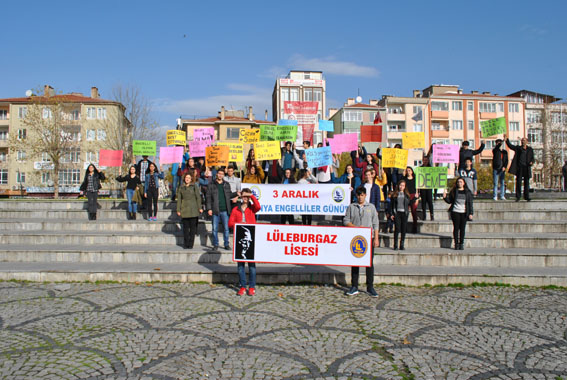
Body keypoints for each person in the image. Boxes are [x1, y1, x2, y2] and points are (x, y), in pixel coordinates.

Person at [343, 186, 380, 297]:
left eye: (362, 195)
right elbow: (346, 220)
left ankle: (370, 286)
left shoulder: (371, 207)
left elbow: (375, 223)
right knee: (355, 262)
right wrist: (355, 227)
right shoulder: (351, 207)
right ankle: (354, 286)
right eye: (358, 195)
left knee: (369, 263)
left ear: (365, 195)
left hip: (369, 238)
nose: (360, 197)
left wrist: (376, 238)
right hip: (355, 238)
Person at [228, 188, 261, 296]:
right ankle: (242, 286)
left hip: (251, 238)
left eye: (247, 196)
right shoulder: (235, 209)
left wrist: (251, 196)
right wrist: (238, 226)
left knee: (252, 265)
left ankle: (252, 286)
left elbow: (258, 206)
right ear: (241, 197)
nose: (245, 198)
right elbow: (230, 223)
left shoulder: (252, 208)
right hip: (239, 238)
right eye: (244, 196)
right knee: (240, 265)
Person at [206, 168, 237, 250]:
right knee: (214, 229)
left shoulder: (226, 184)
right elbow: (208, 197)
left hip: (225, 210)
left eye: (222, 174)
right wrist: (209, 208)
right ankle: (215, 244)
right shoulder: (211, 184)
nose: (220, 175)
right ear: (217, 174)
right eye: (219, 173)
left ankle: (226, 244)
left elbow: (229, 195)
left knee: (226, 229)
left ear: (224, 175)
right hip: (215, 210)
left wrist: (236, 194)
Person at [443, 177, 474, 250]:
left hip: (464, 213)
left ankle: (461, 243)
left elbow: (470, 203)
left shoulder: (468, 192)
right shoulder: (454, 191)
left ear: (464, 183)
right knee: (456, 228)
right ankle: (456, 243)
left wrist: (471, 213)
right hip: (455, 212)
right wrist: (445, 197)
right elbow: (450, 201)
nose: (459, 183)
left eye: (461, 182)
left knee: (462, 229)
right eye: (458, 182)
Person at [176, 171, 202, 249]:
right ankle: (186, 243)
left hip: (193, 209)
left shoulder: (194, 187)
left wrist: (200, 207)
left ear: (191, 179)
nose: (187, 179)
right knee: (185, 228)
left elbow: (198, 197)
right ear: (184, 179)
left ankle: (191, 244)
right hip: (184, 209)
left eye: (189, 178)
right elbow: (179, 199)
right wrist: (178, 209)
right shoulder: (181, 187)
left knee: (193, 228)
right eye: (186, 178)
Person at [505, 135, 534, 202]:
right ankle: (518, 197)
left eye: (524, 140)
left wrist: (532, 162)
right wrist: (507, 140)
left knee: (526, 183)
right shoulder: (518, 148)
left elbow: (532, 158)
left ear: (527, 142)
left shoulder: (530, 149)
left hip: (526, 167)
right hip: (519, 167)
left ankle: (526, 196)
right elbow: (511, 146)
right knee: (518, 182)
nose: (523, 142)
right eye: (522, 141)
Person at [388, 180, 413, 250]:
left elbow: (409, 203)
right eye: (400, 185)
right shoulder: (395, 195)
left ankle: (402, 244)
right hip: (397, 213)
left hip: (404, 213)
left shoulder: (407, 195)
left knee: (403, 229)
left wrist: (415, 198)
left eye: (403, 186)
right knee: (397, 228)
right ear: (398, 186)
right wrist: (392, 214)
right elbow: (392, 205)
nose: (401, 187)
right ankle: (395, 244)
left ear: (405, 187)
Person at [403, 167, 420, 233]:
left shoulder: (415, 179)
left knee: (414, 212)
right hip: (406, 196)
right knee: (406, 212)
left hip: (413, 196)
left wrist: (417, 196)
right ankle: (405, 227)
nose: (408, 172)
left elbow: (418, 188)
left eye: (409, 170)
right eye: (407, 171)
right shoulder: (404, 179)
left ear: (412, 171)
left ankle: (415, 227)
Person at [419, 156, 434, 221]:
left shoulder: (430, 168)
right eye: (424, 160)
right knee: (423, 201)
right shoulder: (420, 168)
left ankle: (432, 214)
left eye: (426, 160)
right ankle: (424, 215)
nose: (425, 161)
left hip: (429, 186)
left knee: (430, 201)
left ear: (428, 161)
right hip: (422, 187)